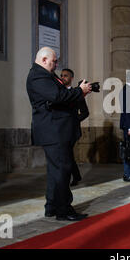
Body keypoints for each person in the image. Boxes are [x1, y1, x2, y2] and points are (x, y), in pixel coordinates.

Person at [26, 47, 92, 221]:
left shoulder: (46, 75)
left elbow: (59, 98)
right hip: (53, 131)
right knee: (62, 170)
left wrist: (79, 93)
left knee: (56, 171)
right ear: (44, 59)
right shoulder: (38, 75)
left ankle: (52, 206)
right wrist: (79, 91)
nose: (56, 64)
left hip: (57, 130)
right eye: (54, 61)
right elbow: (57, 96)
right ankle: (64, 210)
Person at [60, 68, 90, 187]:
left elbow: (85, 112)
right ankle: (76, 175)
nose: (63, 77)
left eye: (65, 76)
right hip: (61, 129)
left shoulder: (77, 93)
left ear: (71, 78)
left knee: (66, 153)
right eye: (61, 75)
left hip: (72, 130)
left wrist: (73, 120)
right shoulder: (59, 92)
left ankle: (71, 178)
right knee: (67, 154)